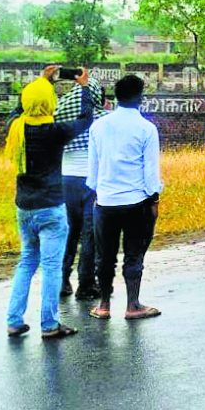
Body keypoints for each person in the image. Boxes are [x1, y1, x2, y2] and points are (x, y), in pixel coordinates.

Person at [4, 65, 93, 339]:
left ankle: (14, 320)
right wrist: (84, 88)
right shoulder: (55, 131)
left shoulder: (16, 127)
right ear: (49, 102)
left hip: (24, 206)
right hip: (51, 208)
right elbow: (86, 119)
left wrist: (41, 81)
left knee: (27, 261)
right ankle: (49, 324)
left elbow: (18, 110)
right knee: (52, 267)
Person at [87, 74, 162, 321]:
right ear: (140, 98)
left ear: (116, 97)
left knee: (104, 257)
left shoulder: (98, 126)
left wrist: (99, 193)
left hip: (105, 203)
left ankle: (103, 305)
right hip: (136, 204)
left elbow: (92, 171)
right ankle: (132, 305)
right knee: (134, 255)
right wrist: (154, 199)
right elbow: (150, 173)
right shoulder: (147, 128)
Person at [54, 76, 105, 300]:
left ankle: (62, 280)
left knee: (69, 232)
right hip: (92, 182)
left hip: (66, 181)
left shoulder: (61, 116)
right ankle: (86, 284)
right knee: (89, 234)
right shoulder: (103, 119)